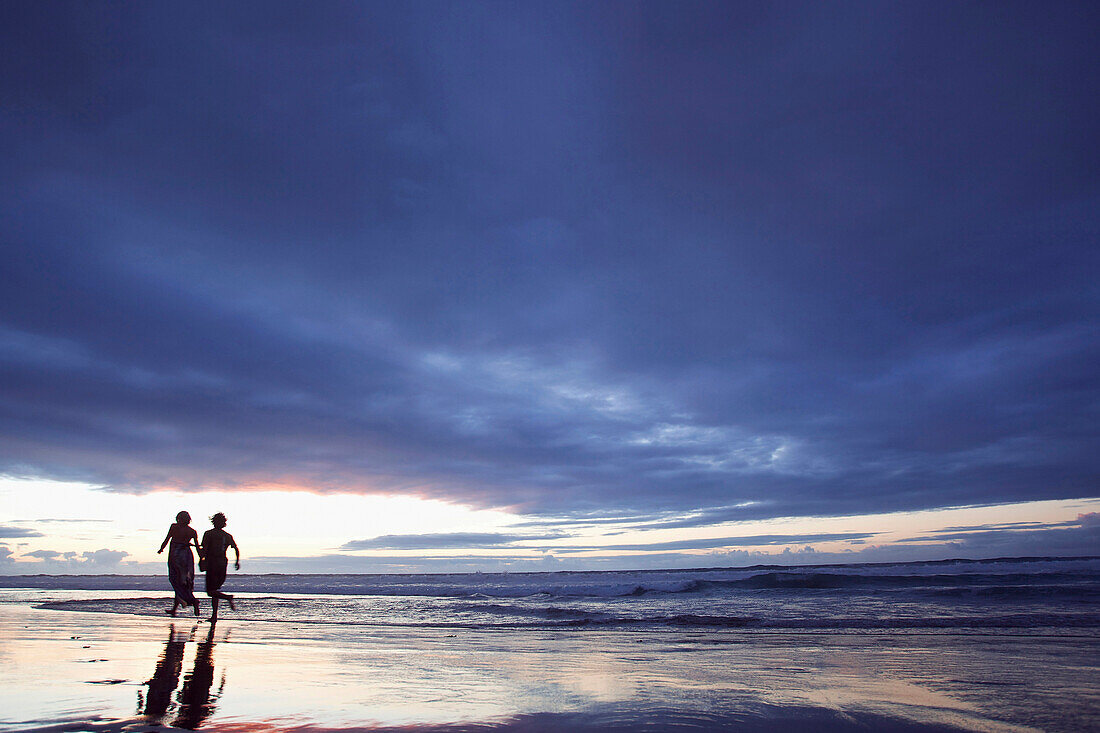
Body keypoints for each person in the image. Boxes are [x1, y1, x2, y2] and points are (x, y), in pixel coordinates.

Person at [157, 511, 201, 617]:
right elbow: (198, 548)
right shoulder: (192, 531)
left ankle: (192, 601)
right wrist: (202, 558)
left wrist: (161, 549)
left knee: (176, 581)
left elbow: (167, 539)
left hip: (176, 556)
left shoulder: (174, 527)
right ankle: (175, 608)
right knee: (185, 582)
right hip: (187, 557)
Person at [200, 512, 239, 622]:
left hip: (212, 563)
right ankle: (214, 616)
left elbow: (205, 549)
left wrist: (201, 560)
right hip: (222, 563)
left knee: (210, 591)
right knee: (215, 590)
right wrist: (237, 561)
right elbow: (236, 548)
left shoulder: (208, 534)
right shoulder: (227, 536)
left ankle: (228, 598)